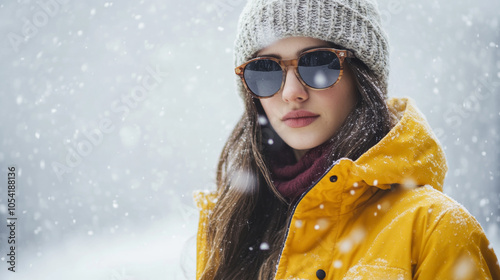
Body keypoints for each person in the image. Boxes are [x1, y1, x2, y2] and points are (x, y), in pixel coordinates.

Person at [194, 0, 500, 279]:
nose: (291, 93)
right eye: (265, 69)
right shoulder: (228, 226)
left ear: (362, 76)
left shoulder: (435, 230)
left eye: (317, 64)